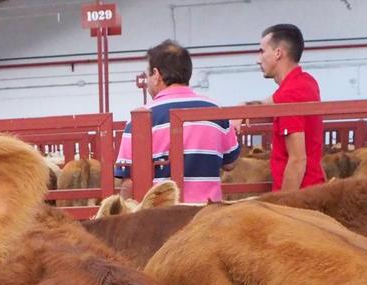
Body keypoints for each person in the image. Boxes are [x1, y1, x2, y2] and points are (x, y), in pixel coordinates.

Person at [114, 40, 241, 203]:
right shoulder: (215, 110)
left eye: (147, 76)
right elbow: (230, 164)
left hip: (164, 217)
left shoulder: (140, 119)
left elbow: (128, 182)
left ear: (156, 74)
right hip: (208, 215)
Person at [257, 24, 326, 191]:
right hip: (313, 188)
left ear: (278, 53)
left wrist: (284, 206)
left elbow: (297, 160)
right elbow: (271, 101)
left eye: (262, 51)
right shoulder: (306, 82)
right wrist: (244, 108)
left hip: (300, 196)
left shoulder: (290, 95)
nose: (258, 59)